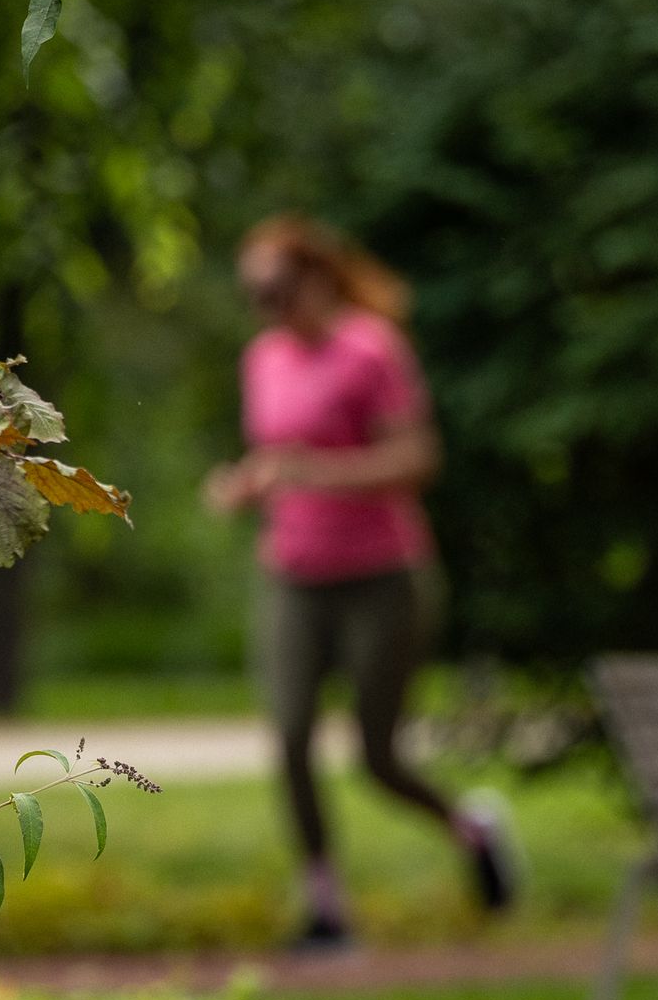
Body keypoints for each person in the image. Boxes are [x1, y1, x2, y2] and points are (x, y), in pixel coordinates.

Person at [205, 215, 513, 948]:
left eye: (278, 289)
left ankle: (473, 829)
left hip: (382, 576)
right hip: (294, 573)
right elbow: (274, 459)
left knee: (378, 757)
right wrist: (241, 486)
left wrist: (317, 472)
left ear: (318, 277)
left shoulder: (371, 348)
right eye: (255, 295)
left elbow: (416, 459)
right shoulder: (263, 359)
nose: (267, 307)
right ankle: (325, 908)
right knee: (290, 738)